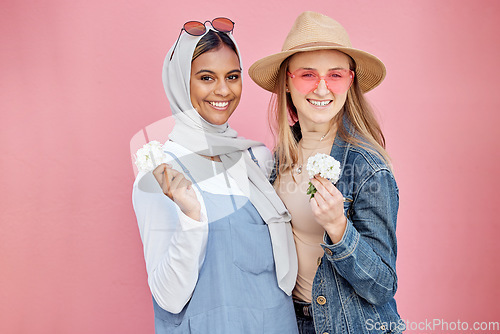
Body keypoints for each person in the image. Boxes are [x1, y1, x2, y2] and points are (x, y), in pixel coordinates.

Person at [132, 18, 299, 333]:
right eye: (206, 77)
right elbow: (168, 297)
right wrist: (192, 216)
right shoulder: (161, 173)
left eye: (232, 76)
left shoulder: (256, 159)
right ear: (181, 82)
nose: (223, 90)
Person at [249, 11, 404, 334]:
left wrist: (338, 226)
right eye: (308, 74)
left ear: (350, 82)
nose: (322, 88)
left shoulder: (367, 166)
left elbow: (382, 286)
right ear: (288, 83)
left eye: (335, 75)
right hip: (291, 322)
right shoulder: (278, 158)